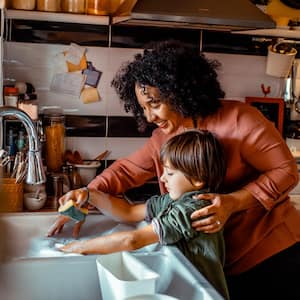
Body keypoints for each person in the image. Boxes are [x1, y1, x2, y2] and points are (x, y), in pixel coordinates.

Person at [47, 40, 300, 300]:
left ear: (179, 92)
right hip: (220, 263)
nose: (148, 117)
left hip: (274, 252)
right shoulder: (165, 138)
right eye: (143, 108)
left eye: (154, 104)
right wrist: (85, 195)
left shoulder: (242, 120)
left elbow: (287, 171)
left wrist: (232, 203)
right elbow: (126, 171)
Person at [58, 130, 229, 299]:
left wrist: (80, 247)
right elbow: (129, 212)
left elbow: (133, 240)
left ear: (198, 179)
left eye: (169, 173)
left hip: (204, 294)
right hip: (183, 289)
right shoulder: (172, 200)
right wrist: (89, 194)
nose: (162, 178)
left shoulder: (194, 209)